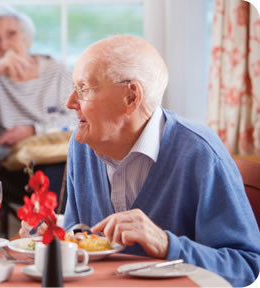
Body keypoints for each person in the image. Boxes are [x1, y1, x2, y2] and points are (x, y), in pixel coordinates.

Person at [20, 35, 260, 286]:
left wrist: (166, 244)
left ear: (131, 97)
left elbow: (247, 267)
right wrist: (52, 234)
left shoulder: (201, 155)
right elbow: (77, 242)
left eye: (84, 89)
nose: (70, 102)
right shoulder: (82, 147)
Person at [0, 5, 75, 210]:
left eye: (11, 34)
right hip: (15, 164)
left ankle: (48, 234)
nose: (4, 45)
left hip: (57, 154)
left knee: (62, 174)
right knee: (49, 180)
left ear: (27, 38)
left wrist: (33, 129)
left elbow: (76, 118)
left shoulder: (57, 71)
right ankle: (48, 236)